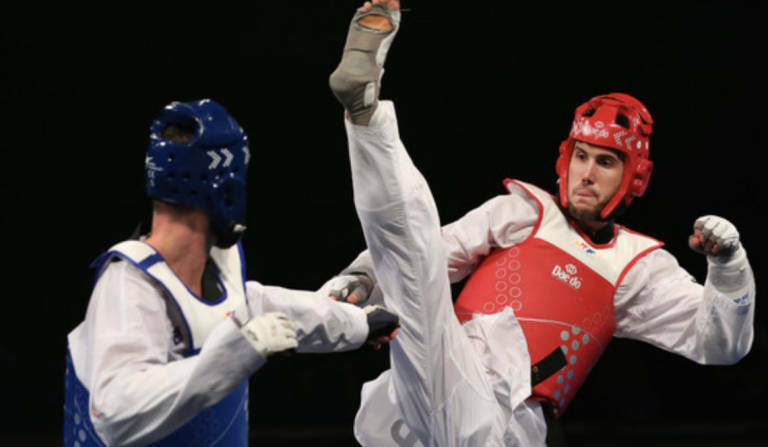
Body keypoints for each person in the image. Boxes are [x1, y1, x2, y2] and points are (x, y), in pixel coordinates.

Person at [328, 1, 756, 445]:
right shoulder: (519, 212)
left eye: (606, 162)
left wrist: (728, 264)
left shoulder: (638, 267)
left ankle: (367, 126)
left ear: (633, 179)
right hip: (429, 387)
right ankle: (363, 111)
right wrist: (362, 277)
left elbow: (720, 344)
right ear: (564, 160)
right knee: (415, 270)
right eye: (582, 157)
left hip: (506, 420)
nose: (587, 173)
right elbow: (424, 255)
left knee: (420, 301)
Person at [64, 99, 398, 446]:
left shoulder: (220, 258)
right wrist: (240, 349)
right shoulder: (130, 284)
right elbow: (114, 414)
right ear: (227, 187)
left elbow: (256, 309)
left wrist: (355, 323)